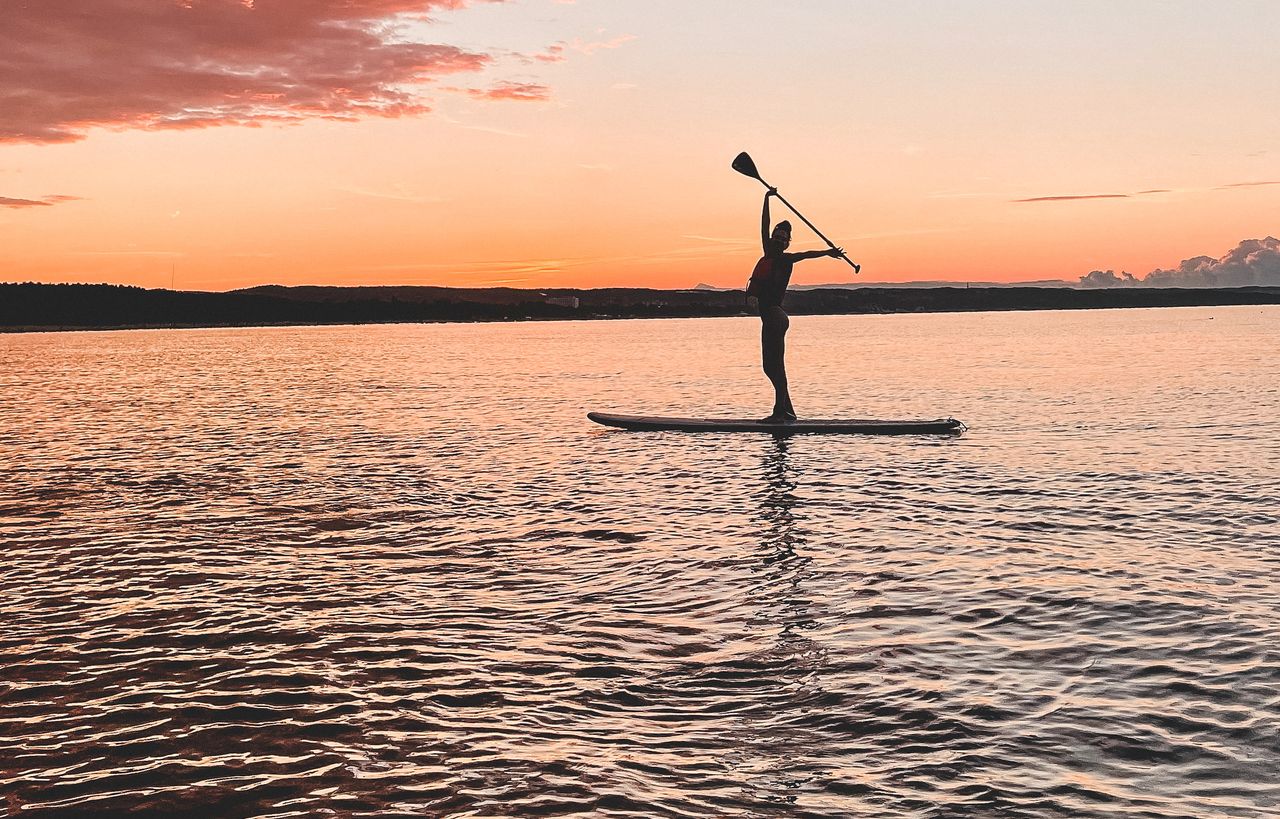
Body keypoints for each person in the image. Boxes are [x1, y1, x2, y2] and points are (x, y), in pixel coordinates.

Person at [746, 188, 843, 422]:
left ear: (787, 244)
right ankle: (787, 410)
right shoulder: (768, 252)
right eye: (776, 237)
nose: (778, 240)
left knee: (774, 366)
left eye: (782, 239)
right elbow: (764, 224)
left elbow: (808, 254)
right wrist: (766, 199)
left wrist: (827, 252)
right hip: (772, 316)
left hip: (775, 316)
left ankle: (781, 412)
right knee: (770, 367)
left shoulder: (786, 259)